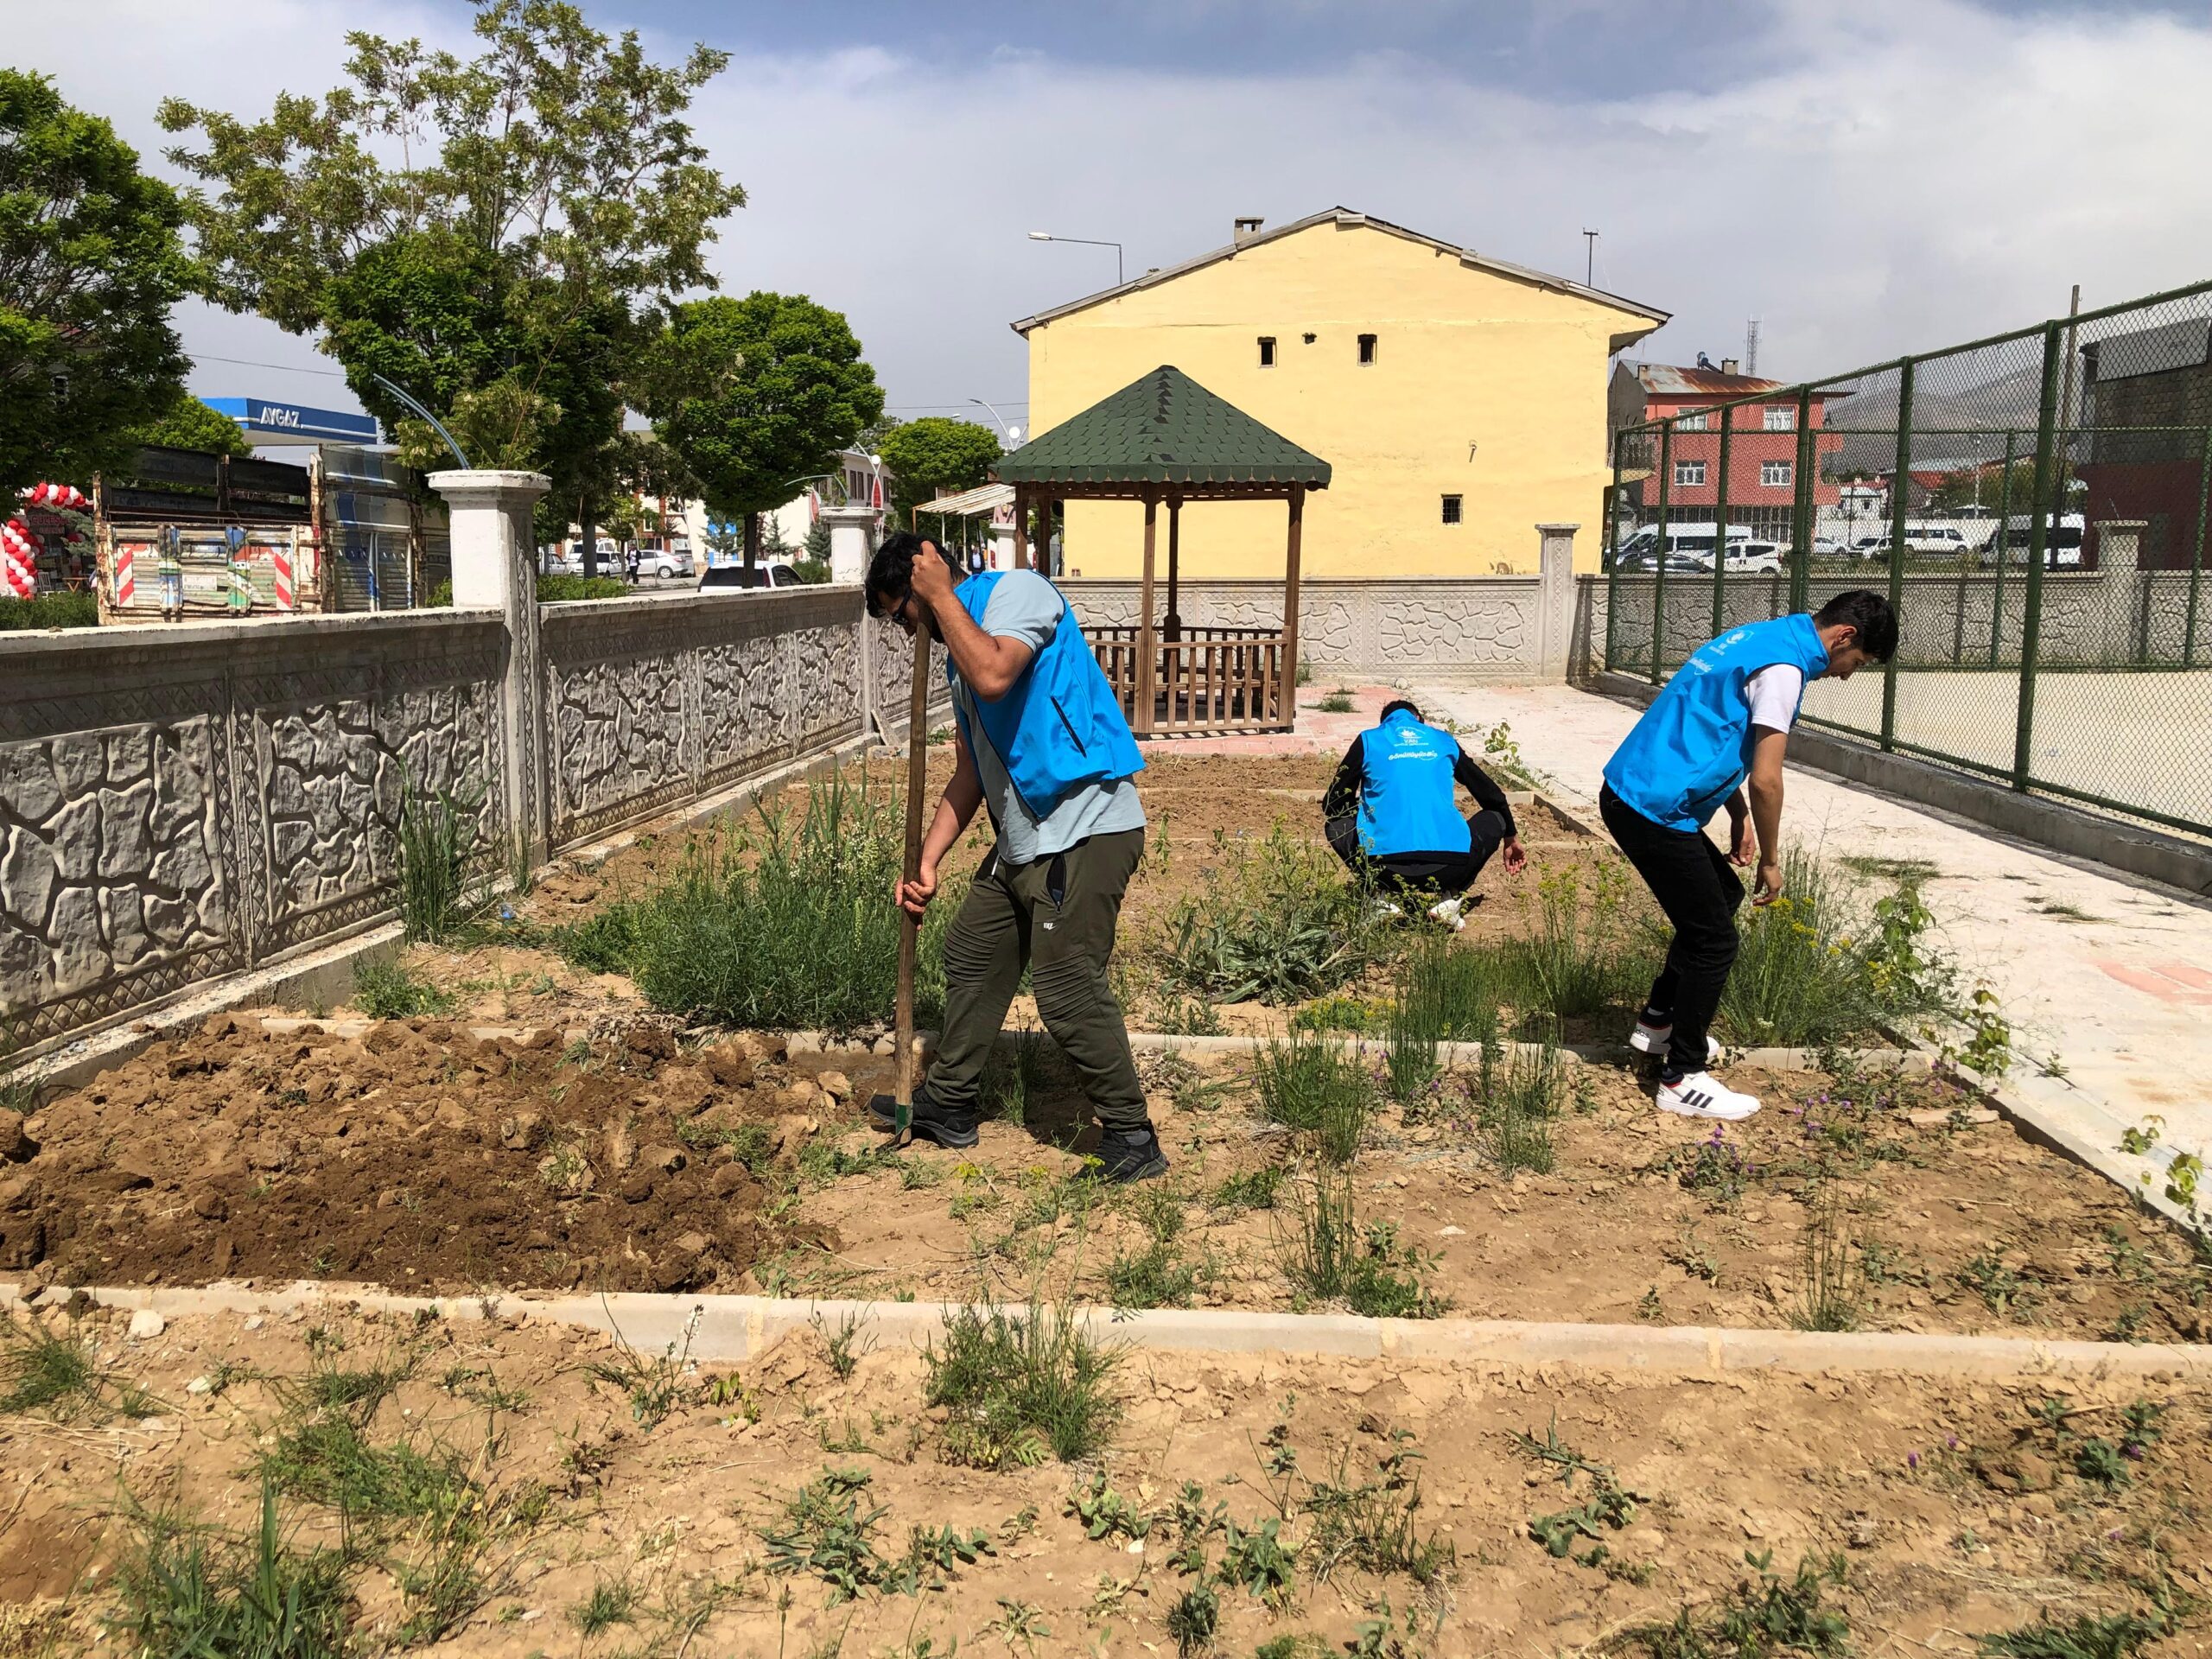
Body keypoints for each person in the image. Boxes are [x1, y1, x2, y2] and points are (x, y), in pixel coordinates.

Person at [863, 533, 1166, 1182]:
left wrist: (939, 597)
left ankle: (1133, 1136)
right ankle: (948, 1101)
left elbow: (997, 674)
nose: (907, 630)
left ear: (924, 587)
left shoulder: (1017, 594)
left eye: (900, 614)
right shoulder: (960, 657)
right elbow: (972, 771)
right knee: (974, 951)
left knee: (1066, 986)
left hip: (1084, 827)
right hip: (1025, 840)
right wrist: (928, 860)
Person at [1600, 589, 1899, 1121]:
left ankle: (1658, 1024)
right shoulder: (1784, 670)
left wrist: (1734, 815)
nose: (1849, 674)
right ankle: (1681, 1076)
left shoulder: (1760, 638)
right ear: (1845, 637)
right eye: (1858, 663)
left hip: (1637, 789)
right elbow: (1766, 778)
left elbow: (1711, 726)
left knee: (1719, 897)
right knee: (1714, 939)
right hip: (1652, 806)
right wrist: (1771, 858)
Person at [1322, 699, 1529, 927]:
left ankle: (1377, 897)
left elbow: (1333, 802)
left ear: (1385, 723)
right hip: (1449, 867)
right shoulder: (1443, 740)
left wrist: (1366, 816)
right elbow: (1492, 796)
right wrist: (1511, 836)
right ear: (1419, 719)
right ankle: (1449, 899)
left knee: (1336, 825)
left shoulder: (1370, 740)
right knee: (1494, 818)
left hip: (1382, 867)